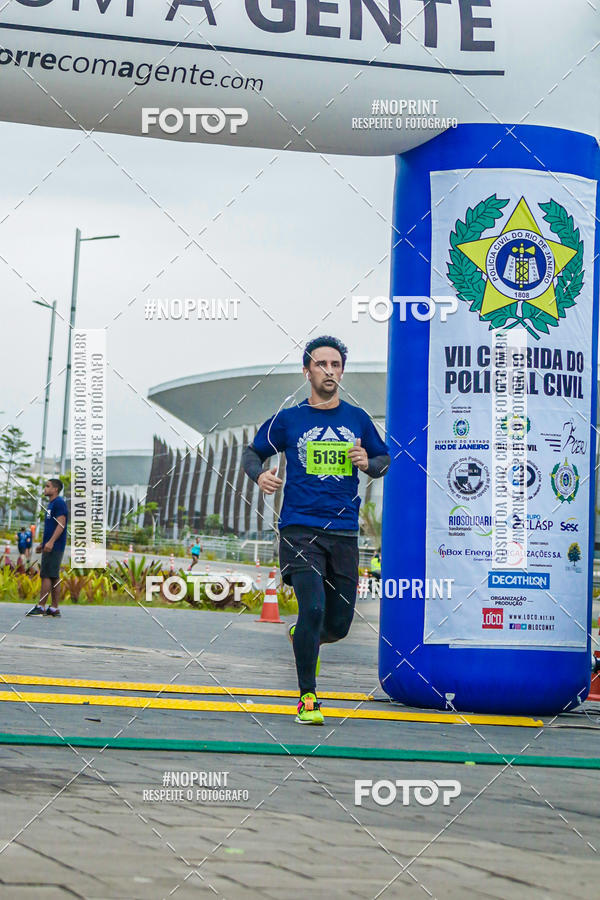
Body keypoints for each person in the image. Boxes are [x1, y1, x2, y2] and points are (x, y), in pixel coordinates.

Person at [242, 336, 390, 725]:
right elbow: (252, 452)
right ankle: (308, 698)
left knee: (338, 625)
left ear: (342, 371)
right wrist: (260, 476)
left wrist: (368, 462)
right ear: (306, 370)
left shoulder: (357, 419)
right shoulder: (289, 420)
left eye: (336, 364)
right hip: (299, 527)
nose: (329, 371)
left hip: (342, 530)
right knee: (313, 606)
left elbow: (384, 459)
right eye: (321, 364)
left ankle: (302, 637)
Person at [26, 479, 68, 618]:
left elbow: (61, 524)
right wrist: (43, 544)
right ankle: (54, 609)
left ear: (55, 489)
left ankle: (41, 607)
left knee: (46, 575)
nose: (45, 488)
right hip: (51, 545)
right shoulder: (51, 504)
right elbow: (51, 527)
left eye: (47, 486)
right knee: (54, 576)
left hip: (55, 546)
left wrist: (51, 542)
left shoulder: (59, 503)